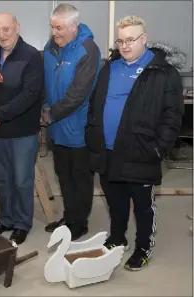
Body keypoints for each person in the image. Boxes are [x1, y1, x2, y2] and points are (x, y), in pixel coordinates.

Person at [85, 15, 184, 271]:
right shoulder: (110, 67)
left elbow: (173, 116)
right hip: (107, 152)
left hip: (141, 151)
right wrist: (92, 133)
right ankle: (118, 238)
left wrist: (158, 148)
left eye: (130, 40)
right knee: (114, 201)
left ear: (144, 39)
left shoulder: (163, 72)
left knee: (142, 206)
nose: (124, 45)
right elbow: (96, 103)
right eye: (120, 40)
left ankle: (143, 247)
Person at [0, 13, 44, 245]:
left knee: (21, 180)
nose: (2, 35)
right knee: (3, 180)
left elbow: (30, 94)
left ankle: (22, 223)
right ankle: (6, 219)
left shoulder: (31, 57)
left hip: (22, 131)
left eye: (6, 29)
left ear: (17, 27)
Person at [42, 3, 101, 240]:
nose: (54, 33)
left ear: (74, 27)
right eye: (52, 27)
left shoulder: (88, 50)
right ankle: (69, 216)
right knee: (63, 175)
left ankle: (80, 222)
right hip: (57, 130)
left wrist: (50, 114)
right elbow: (45, 83)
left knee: (80, 178)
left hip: (78, 129)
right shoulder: (50, 47)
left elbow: (78, 94)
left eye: (59, 28)